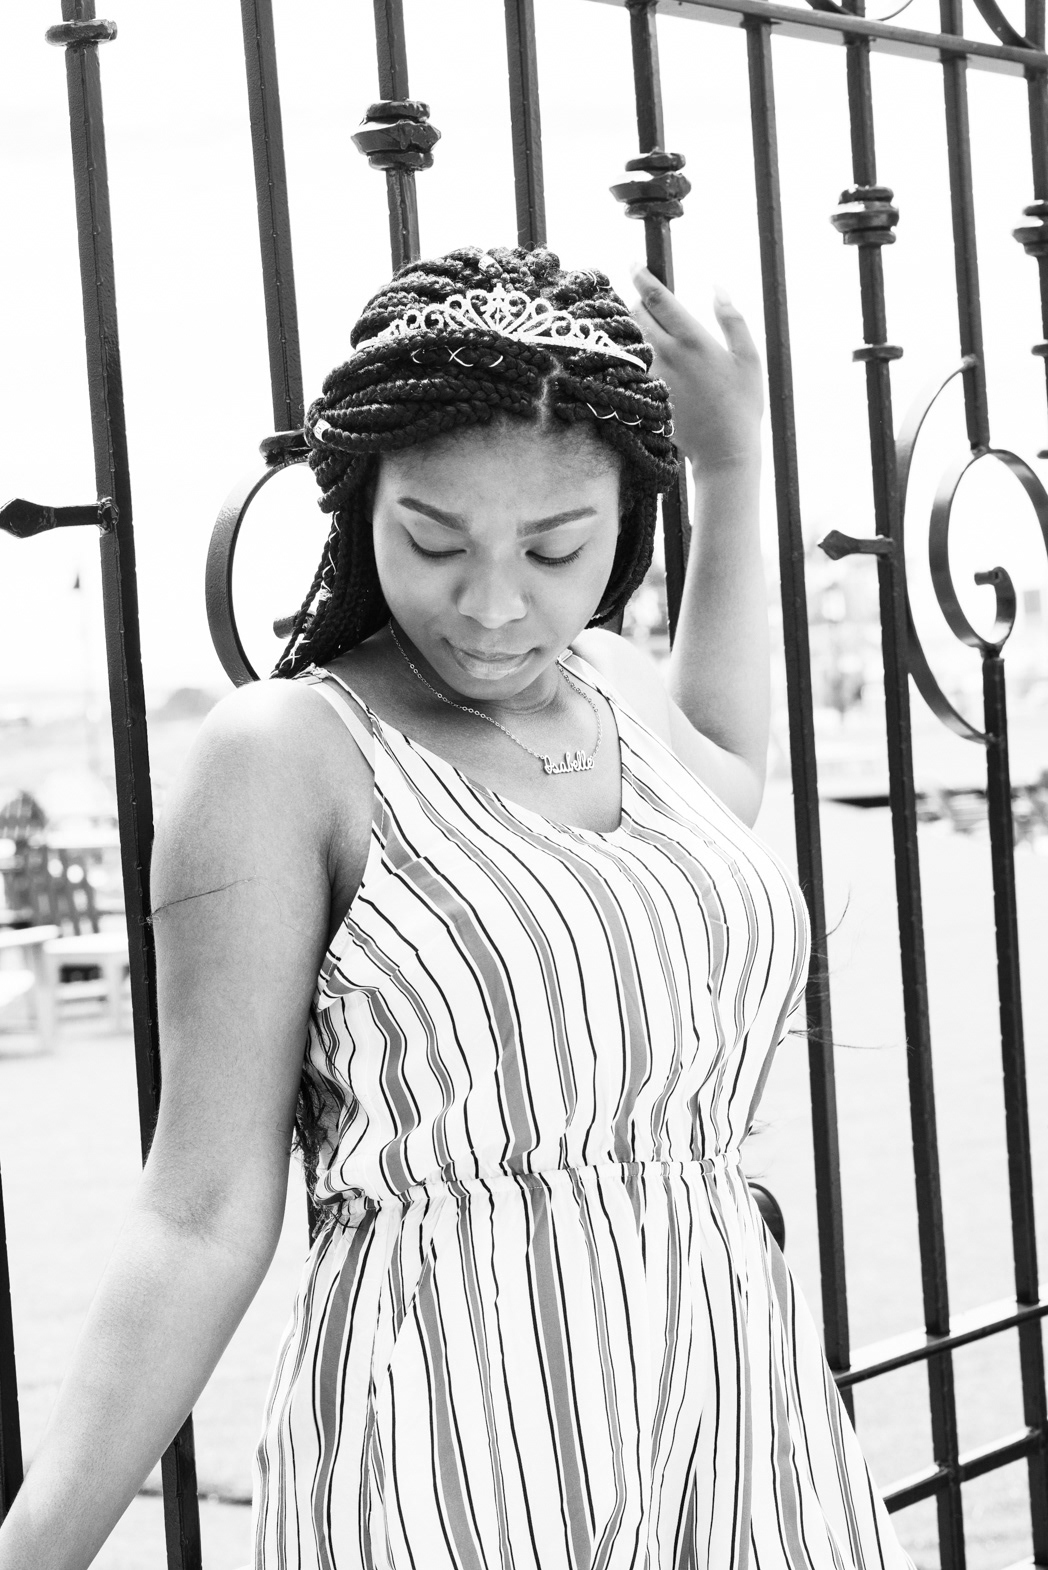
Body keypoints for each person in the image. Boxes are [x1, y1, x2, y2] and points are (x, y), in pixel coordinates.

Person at [0, 245, 915, 1570]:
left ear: (625, 527)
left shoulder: (614, 688)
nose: (492, 605)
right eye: (433, 540)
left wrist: (732, 467)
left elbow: (727, 769)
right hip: (456, 1427)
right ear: (363, 506)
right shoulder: (285, 754)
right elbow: (199, 1210)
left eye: (555, 548)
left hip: (734, 1399)